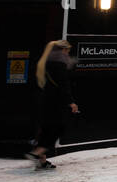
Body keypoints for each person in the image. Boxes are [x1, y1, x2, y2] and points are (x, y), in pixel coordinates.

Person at [27, 39, 78, 170]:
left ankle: (41, 160)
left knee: (47, 128)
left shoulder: (45, 62)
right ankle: (36, 153)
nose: (68, 54)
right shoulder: (59, 64)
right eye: (67, 51)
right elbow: (63, 85)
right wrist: (71, 102)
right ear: (63, 50)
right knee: (58, 127)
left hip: (43, 100)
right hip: (56, 101)